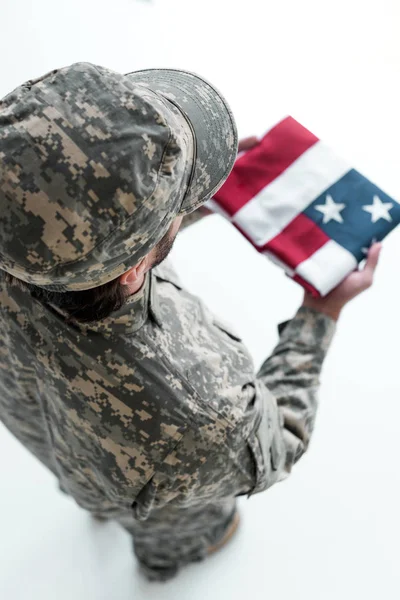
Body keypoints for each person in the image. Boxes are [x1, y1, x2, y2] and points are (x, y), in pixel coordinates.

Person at [0, 62, 381, 582]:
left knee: (81, 478)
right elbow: (276, 442)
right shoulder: (198, 413)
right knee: (183, 533)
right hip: (165, 499)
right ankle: (166, 562)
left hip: (53, 441)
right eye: (180, 201)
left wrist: (182, 201)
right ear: (133, 268)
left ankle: (88, 500)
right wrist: (320, 315)